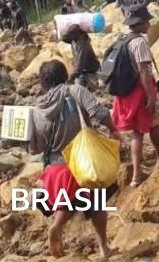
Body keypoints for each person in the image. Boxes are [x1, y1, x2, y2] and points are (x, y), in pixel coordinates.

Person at [29, 61, 119, 259]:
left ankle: (57, 227)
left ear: (43, 83)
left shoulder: (37, 109)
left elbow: (35, 147)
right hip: (82, 161)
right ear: (64, 75)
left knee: (66, 202)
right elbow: (99, 113)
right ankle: (103, 247)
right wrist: (114, 130)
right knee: (97, 204)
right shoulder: (76, 91)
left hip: (54, 168)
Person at [111, 5, 159, 186]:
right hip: (142, 91)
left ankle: (136, 176)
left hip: (128, 95)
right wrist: (150, 95)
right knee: (154, 127)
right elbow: (143, 70)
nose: (150, 24)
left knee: (137, 133)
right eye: (147, 21)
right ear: (140, 23)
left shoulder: (123, 39)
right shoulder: (139, 42)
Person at [62, 24, 101, 89]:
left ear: (76, 34)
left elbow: (81, 60)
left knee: (97, 90)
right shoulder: (73, 41)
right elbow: (64, 38)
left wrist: (73, 75)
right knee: (79, 91)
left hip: (90, 70)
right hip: (81, 72)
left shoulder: (82, 43)